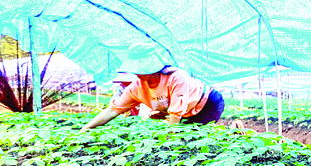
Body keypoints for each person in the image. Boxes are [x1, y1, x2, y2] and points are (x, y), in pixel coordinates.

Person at [80, 43, 224, 132]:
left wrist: (168, 141)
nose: (136, 72)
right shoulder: (136, 88)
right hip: (185, 111)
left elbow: (175, 114)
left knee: (194, 136)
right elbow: (112, 110)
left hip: (208, 103)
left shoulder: (176, 77)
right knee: (184, 136)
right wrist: (84, 130)